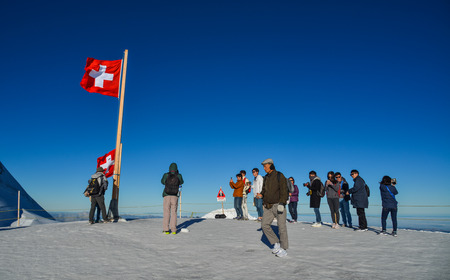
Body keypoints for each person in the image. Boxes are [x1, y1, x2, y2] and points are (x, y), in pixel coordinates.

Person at [256, 158, 289, 257]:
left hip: (278, 205)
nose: (264, 168)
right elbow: (264, 190)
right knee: (264, 225)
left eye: (265, 166)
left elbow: (284, 190)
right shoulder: (266, 177)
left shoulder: (279, 175)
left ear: (270, 165)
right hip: (268, 206)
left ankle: (283, 249)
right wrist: (261, 195)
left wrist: (282, 204)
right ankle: (276, 243)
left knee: (281, 227)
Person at [161, 162, 184, 234]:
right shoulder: (179, 176)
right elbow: (182, 182)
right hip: (175, 196)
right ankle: (174, 230)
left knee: (166, 212)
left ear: (170, 168)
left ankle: (166, 230)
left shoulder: (166, 175)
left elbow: (162, 182)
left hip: (166, 195)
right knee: (174, 213)